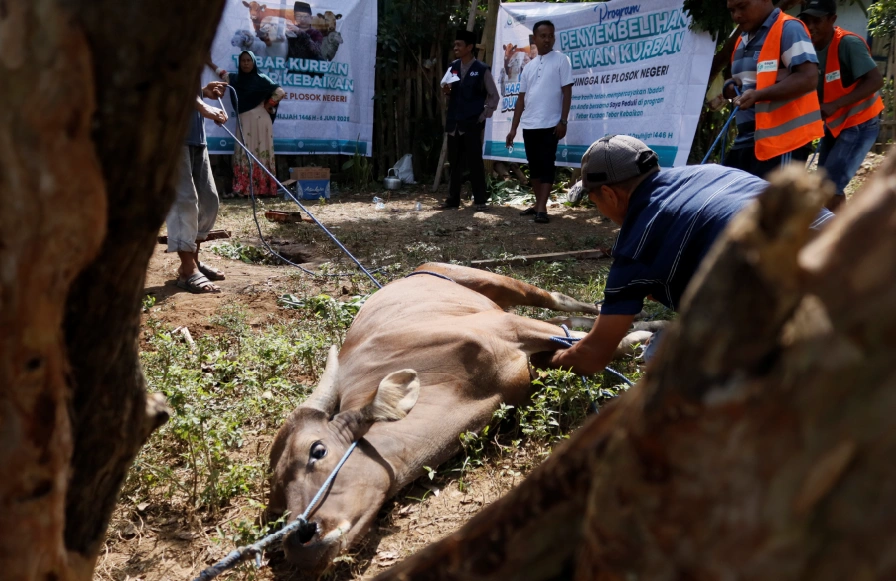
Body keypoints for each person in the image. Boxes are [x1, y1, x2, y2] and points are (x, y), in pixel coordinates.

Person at [552, 135, 834, 375]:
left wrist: (551, 359)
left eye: (594, 201)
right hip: (850, 251)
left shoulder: (638, 244)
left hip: (809, 314)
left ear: (609, 194)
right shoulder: (712, 172)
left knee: (662, 354)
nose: (599, 208)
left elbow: (594, 356)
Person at [723, 0, 824, 179]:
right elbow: (751, 80)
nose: (736, 15)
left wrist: (759, 95)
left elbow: (808, 77)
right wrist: (733, 85)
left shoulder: (789, 28)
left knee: (775, 206)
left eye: (743, 6)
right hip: (748, 141)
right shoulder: (742, 39)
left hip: (782, 143)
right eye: (731, 10)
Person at [800, 0, 884, 212]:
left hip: (859, 123)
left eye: (817, 20)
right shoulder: (809, 46)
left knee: (828, 187)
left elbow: (876, 81)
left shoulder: (848, 44)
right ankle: (838, 231)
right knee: (828, 185)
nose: (811, 26)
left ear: (832, 20)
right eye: (807, 20)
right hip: (836, 123)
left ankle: (835, 237)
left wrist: (835, 104)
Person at [505, 20, 573, 224]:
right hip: (530, 124)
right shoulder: (529, 67)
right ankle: (538, 204)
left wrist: (563, 120)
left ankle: (542, 207)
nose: (547, 39)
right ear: (535, 39)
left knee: (546, 164)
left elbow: (567, 92)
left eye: (551, 35)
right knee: (534, 166)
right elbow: (521, 99)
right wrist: (513, 128)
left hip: (551, 124)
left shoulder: (562, 60)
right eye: (543, 35)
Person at [168, 81, 229, 294]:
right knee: (184, 202)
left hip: (196, 137)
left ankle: (193, 261)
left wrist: (202, 92)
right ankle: (188, 269)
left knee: (208, 201)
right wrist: (203, 107)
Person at [438, 30, 499, 211]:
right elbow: (448, 92)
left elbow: (493, 96)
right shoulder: (453, 67)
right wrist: (447, 91)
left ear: (470, 47)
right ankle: (452, 200)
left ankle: (480, 200)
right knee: (454, 163)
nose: (455, 48)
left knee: (475, 163)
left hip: (472, 124)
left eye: (459, 45)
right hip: (454, 124)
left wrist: (483, 116)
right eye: (455, 44)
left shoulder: (481, 69)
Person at [227, 50, 286, 197]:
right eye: (243, 60)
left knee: (262, 151)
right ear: (239, 63)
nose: (246, 63)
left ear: (253, 62)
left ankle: (264, 189)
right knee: (243, 151)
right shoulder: (234, 79)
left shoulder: (262, 79)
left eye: (249, 60)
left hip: (261, 120)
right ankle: (244, 189)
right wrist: (208, 63)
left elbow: (280, 92)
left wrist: (269, 104)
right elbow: (222, 74)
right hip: (244, 121)